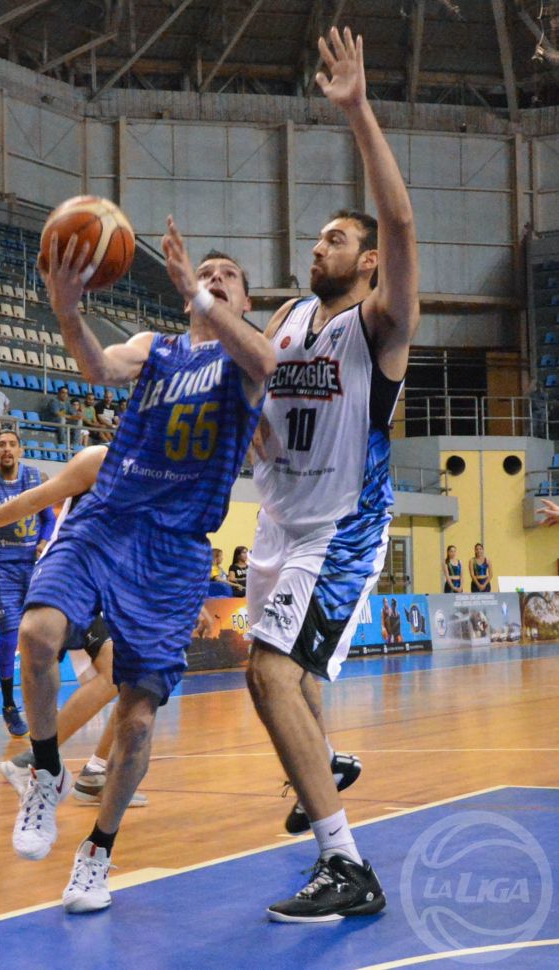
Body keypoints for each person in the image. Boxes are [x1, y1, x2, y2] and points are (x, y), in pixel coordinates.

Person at [7, 215, 274, 912]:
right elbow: (99, 369)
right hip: (108, 519)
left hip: (174, 551)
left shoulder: (247, 362)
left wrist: (200, 292)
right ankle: (45, 770)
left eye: (228, 278)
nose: (215, 280)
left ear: (244, 301)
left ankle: (97, 852)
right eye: (205, 274)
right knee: (37, 634)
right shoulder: (157, 348)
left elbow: (268, 365)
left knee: (137, 719)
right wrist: (68, 311)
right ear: (185, 299)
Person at [245, 27, 419, 923]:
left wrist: (357, 110)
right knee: (292, 678)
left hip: (341, 528)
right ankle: (326, 764)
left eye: (337, 238)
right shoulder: (285, 319)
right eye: (318, 238)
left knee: (269, 674)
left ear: (369, 261)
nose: (320, 247)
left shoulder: (379, 327)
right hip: (278, 521)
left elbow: (402, 223)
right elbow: (259, 411)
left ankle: (346, 864)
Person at [0, 444, 147, 809]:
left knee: (136, 681)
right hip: (69, 578)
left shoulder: (162, 481)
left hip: (109, 588)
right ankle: (34, 759)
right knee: (115, 672)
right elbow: (31, 501)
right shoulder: (100, 460)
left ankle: (95, 773)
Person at [0, 428, 56, 737]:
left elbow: (49, 519)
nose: (6, 449)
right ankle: (8, 705)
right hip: (3, 570)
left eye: (12, 444)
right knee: (9, 639)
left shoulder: (37, 478)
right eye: (1, 444)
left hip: (35, 567)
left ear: (20, 451)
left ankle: (42, 699)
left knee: (46, 635)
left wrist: (44, 541)